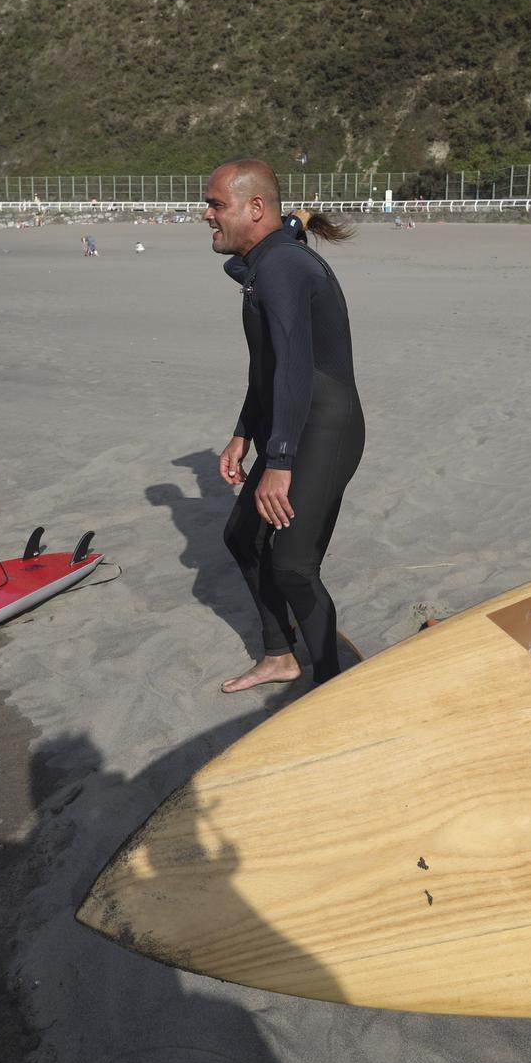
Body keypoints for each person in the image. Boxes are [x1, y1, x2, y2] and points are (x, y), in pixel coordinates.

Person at [204, 162, 365, 692]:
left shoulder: (282, 268)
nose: (205, 214)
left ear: (255, 209)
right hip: (294, 419)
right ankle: (280, 656)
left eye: (216, 205)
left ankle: (333, 687)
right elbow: (267, 367)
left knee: (293, 564)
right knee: (243, 535)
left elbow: (293, 365)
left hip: (324, 426)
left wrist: (279, 461)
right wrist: (243, 431)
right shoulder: (270, 255)